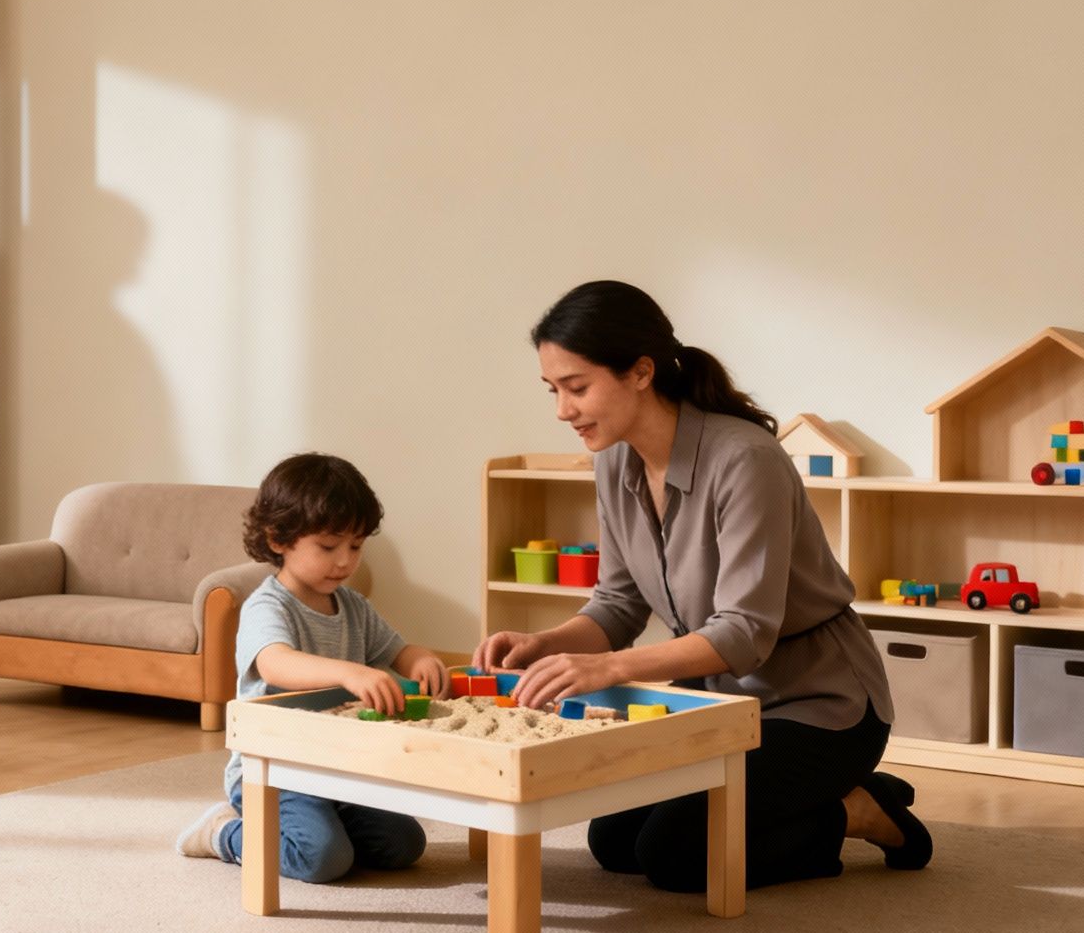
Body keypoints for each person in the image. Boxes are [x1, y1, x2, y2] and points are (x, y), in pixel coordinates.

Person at [474, 280, 931, 893]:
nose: (563, 410)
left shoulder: (745, 459)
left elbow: (745, 631)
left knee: (677, 854)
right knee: (614, 843)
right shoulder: (614, 460)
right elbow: (617, 602)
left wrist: (608, 670)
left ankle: (856, 809)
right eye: (553, 390)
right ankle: (814, 799)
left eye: (577, 387)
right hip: (715, 704)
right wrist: (548, 643)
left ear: (640, 372)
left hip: (817, 707)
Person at [176, 453, 449, 880]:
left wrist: (424, 660)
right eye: (328, 546)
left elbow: (400, 651)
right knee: (321, 858)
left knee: (403, 844)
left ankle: (322, 825)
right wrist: (347, 672)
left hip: (338, 767)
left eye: (356, 546)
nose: (345, 561)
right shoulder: (267, 606)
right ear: (279, 539)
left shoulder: (354, 607)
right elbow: (275, 663)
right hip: (274, 771)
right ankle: (224, 832)